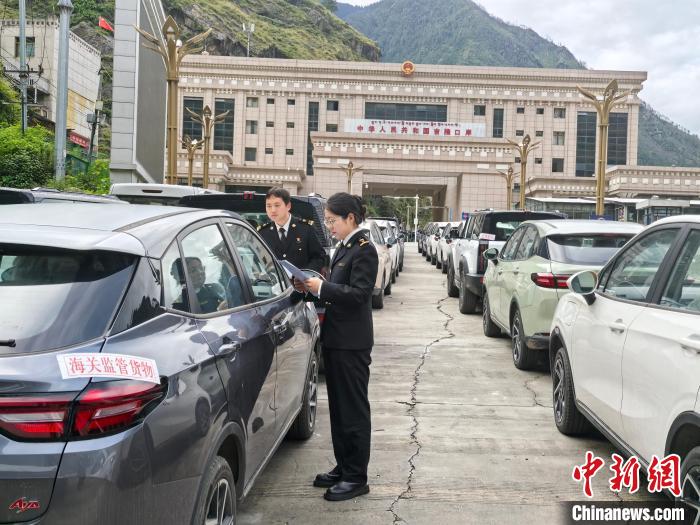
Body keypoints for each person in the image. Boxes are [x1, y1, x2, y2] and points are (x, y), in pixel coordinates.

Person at [302, 193, 379, 502]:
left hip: (352, 344)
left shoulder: (365, 249)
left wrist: (323, 287)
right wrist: (311, 288)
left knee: (353, 411)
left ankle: (357, 477)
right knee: (338, 409)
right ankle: (344, 466)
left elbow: (359, 294)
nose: (329, 226)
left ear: (350, 218)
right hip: (336, 339)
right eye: (327, 221)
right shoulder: (345, 247)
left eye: (333, 221)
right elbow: (338, 290)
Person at [257, 187, 325, 273]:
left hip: (302, 280)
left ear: (288, 206)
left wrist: (305, 274)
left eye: (277, 205)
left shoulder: (306, 228)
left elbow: (318, 257)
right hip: (275, 280)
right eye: (269, 206)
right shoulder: (263, 232)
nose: (273, 210)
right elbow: (257, 262)